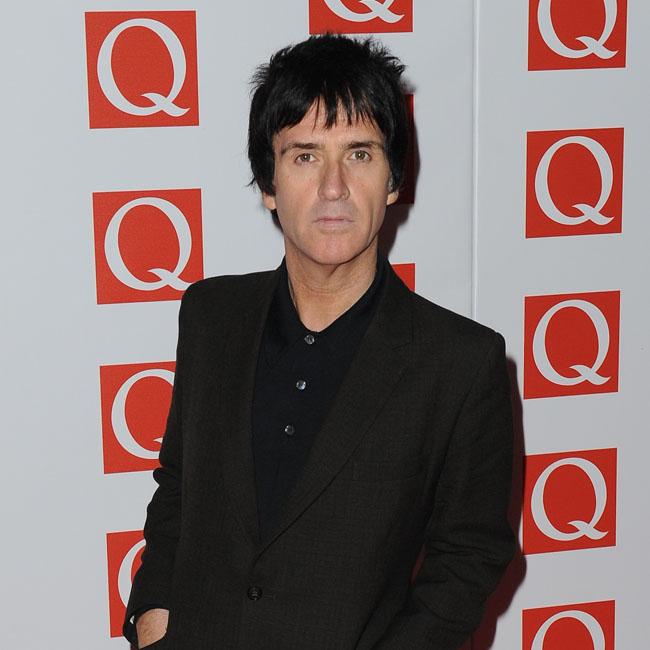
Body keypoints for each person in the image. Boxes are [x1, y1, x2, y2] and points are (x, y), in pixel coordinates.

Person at [124, 34, 515, 649]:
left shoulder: (460, 364)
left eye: (359, 153)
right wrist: (154, 620)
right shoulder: (211, 316)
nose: (334, 187)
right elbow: (177, 487)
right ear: (269, 183)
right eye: (305, 156)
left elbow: (467, 560)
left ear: (393, 179)